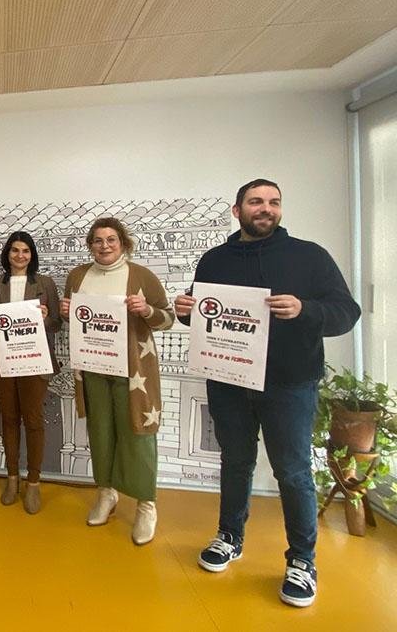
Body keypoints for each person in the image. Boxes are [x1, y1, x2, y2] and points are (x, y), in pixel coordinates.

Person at [174, 179, 360, 608]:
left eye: (274, 202)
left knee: (293, 472)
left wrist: (305, 309)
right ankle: (229, 537)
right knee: (235, 462)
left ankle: (302, 560)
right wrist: (187, 311)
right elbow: (204, 317)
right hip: (228, 380)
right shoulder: (214, 259)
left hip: (290, 383)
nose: (267, 209)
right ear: (237, 210)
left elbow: (347, 312)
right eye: (256, 202)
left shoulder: (310, 256)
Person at [61, 217, 174, 545]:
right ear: (90, 245)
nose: (105, 245)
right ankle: (106, 493)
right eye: (98, 240)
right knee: (101, 431)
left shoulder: (141, 276)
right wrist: (68, 311)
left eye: (111, 239)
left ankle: (146, 504)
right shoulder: (78, 276)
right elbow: (78, 319)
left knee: (138, 433)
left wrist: (147, 311)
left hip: (133, 371)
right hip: (93, 367)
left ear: (123, 243)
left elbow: (168, 318)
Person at [0, 231, 61, 514]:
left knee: (34, 418)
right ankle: (12, 478)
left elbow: (56, 324)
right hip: (2, 361)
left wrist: (46, 316)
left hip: (35, 360)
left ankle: (34, 482)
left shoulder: (45, 283)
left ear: (32, 255)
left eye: (25, 251)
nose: (20, 256)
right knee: (9, 418)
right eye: (15, 250)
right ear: (8, 254)